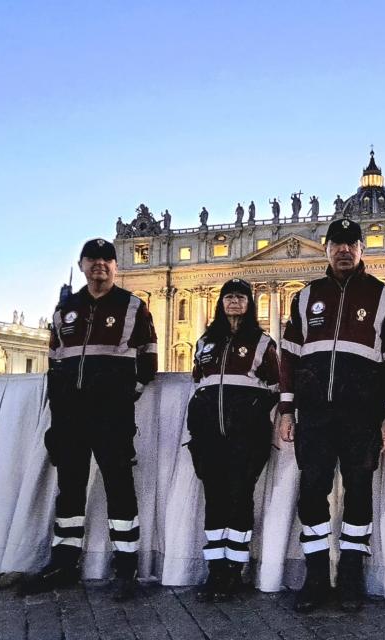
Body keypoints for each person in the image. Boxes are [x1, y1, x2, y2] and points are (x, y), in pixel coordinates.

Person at [277, 217, 385, 613]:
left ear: (362, 250)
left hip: (361, 415)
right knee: (312, 491)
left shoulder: (384, 297)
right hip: (315, 414)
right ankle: (316, 575)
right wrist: (286, 408)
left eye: (352, 243)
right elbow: (288, 357)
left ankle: (350, 575)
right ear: (327, 248)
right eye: (337, 243)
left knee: (359, 493)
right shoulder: (305, 297)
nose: (344, 250)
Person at [21, 238, 157, 601]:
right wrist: (58, 404)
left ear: (116, 266)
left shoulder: (133, 306)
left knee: (119, 486)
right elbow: (53, 358)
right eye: (93, 259)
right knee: (70, 487)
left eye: (107, 260)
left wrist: (129, 392)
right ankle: (63, 561)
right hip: (69, 415)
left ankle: (126, 568)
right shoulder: (65, 308)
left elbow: (149, 355)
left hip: (111, 414)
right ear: (82, 265)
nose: (100, 265)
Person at [187, 278, 279, 602]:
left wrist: (252, 412)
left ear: (250, 303)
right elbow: (198, 382)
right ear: (220, 303)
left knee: (240, 497)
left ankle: (235, 569)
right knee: (214, 499)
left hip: (247, 435)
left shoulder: (263, 342)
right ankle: (215, 568)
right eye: (229, 297)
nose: (234, 302)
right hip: (210, 434)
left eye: (240, 297)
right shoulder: (204, 342)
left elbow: (275, 386)